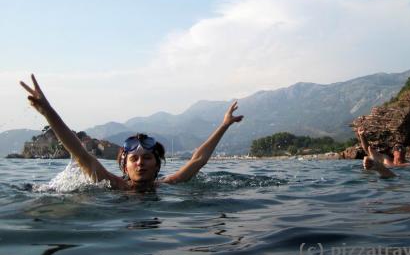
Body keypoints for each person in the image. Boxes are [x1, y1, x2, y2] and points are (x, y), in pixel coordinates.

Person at [20, 74, 244, 191]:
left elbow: (197, 160)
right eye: (134, 159)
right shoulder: (111, 184)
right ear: (124, 165)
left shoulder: (168, 184)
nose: (140, 163)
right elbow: (80, 153)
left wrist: (224, 125)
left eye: (147, 158)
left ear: (157, 164)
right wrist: (48, 111)